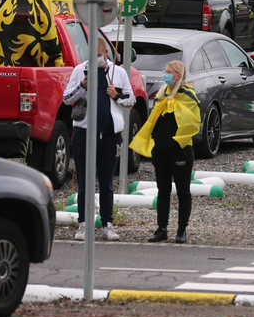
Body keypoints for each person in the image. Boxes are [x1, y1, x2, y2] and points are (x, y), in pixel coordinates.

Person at [63, 37, 134, 242]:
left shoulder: (117, 72)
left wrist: (116, 95)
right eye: (94, 55)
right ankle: (84, 224)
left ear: (106, 54)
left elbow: (131, 99)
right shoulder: (79, 71)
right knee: (85, 181)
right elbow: (67, 98)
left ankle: (107, 224)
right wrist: (83, 85)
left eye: (100, 54)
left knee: (106, 182)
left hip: (109, 135)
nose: (98, 58)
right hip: (84, 134)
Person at [130, 60, 200, 244]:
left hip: (181, 151)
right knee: (163, 191)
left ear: (178, 75)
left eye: (169, 72)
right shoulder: (162, 95)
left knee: (183, 191)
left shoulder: (187, 95)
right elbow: (154, 121)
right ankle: (162, 228)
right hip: (161, 152)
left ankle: (181, 230)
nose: (165, 74)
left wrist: (174, 141)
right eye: (165, 71)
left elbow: (192, 122)